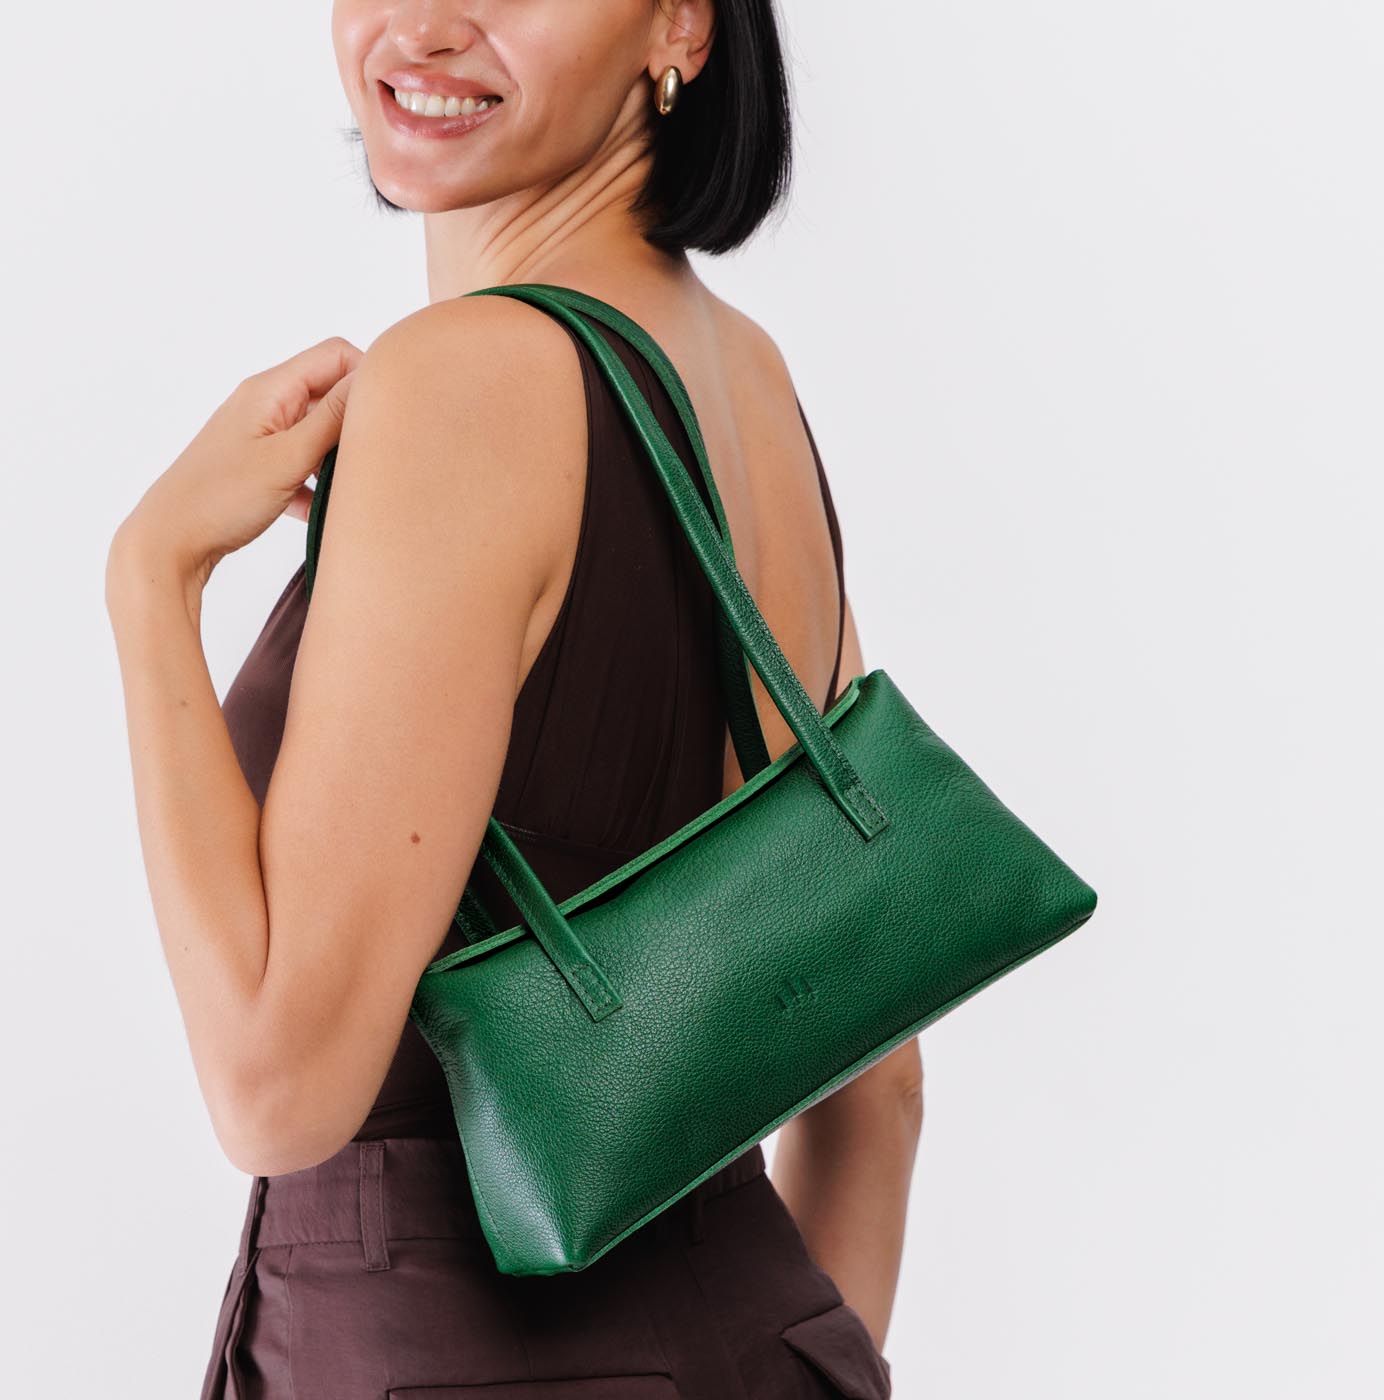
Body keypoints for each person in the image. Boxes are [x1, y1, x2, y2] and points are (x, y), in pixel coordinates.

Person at [104, 1, 923, 1395]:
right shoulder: (745, 377)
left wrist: (151, 577)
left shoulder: (465, 377)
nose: (424, 24)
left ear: (680, 23)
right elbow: (875, 1087)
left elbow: (277, 1093)